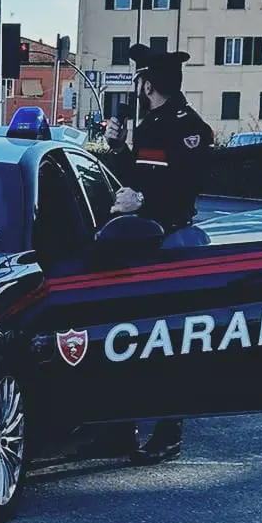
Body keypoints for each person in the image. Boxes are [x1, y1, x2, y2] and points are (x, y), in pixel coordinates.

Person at [80, 43, 215, 466]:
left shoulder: (187, 127)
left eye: (139, 79)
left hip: (168, 240)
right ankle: (120, 429)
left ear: (149, 83)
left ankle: (168, 430)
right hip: (138, 241)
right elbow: (137, 176)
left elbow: (184, 184)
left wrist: (142, 199)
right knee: (126, 338)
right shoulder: (151, 123)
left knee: (165, 338)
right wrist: (118, 149)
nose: (136, 86)